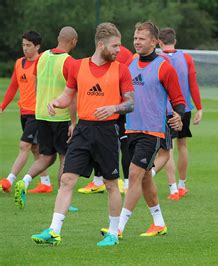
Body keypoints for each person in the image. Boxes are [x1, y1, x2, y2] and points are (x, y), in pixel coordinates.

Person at [31, 22, 134, 247]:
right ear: (101, 44)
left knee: (110, 184)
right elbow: (68, 94)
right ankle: (54, 231)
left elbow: (130, 103)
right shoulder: (77, 67)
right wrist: (56, 102)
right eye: (115, 46)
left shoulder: (122, 70)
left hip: (107, 132)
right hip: (83, 130)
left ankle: (113, 234)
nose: (119, 50)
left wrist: (113, 108)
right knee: (67, 179)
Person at [100, 21, 184, 239]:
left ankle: (117, 228)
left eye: (142, 38)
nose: (137, 42)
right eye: (135, 38)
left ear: (154, 41)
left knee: (135, 175)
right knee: (145, 177)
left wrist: (179, 116)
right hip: (131, 130)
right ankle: (159, 223)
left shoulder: (164, 66)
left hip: (153, 131)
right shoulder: (129, 65)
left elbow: (178, 99)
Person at [13, 27, 78, 208]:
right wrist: (73, 122)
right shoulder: (69, 62)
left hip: (41, 114)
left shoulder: (42, 57)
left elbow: (35, 83)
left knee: (46, 156)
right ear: (74, 42)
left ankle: (24, 181)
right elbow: (71, 95)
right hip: (60, 116)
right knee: (64, 157)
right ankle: (62, 198)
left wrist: (40, 105)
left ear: (58, 38)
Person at [77, 45, 134, 194]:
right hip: (103, 109)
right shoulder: (101, 55)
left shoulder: (124, 54)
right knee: (98, 141)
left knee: (124, 143)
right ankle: (98, 181)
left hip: (120, 108)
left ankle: (128, 184)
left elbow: (127, 77)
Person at [0, 31, 50, 193]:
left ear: (37, 47)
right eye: (23, 45)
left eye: (29, 45)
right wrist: (2, 106)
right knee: (36, 148)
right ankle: (45, 183)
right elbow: (13, 86)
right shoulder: (18, 63)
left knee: (24, 145)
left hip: (37, 113)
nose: (25, 48)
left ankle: (9, 180)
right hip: (23, 112)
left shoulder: (43, 62)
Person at [156, 27, 203, 200]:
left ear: (159, 42)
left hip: (166, 109)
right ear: (174, 41)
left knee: (168, 149)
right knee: (183, 146)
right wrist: (199, 108)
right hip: (184, 109)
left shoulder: (157, 59)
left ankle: (173, 189)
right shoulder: (187, 58)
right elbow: (193, 85)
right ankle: (182, 185)